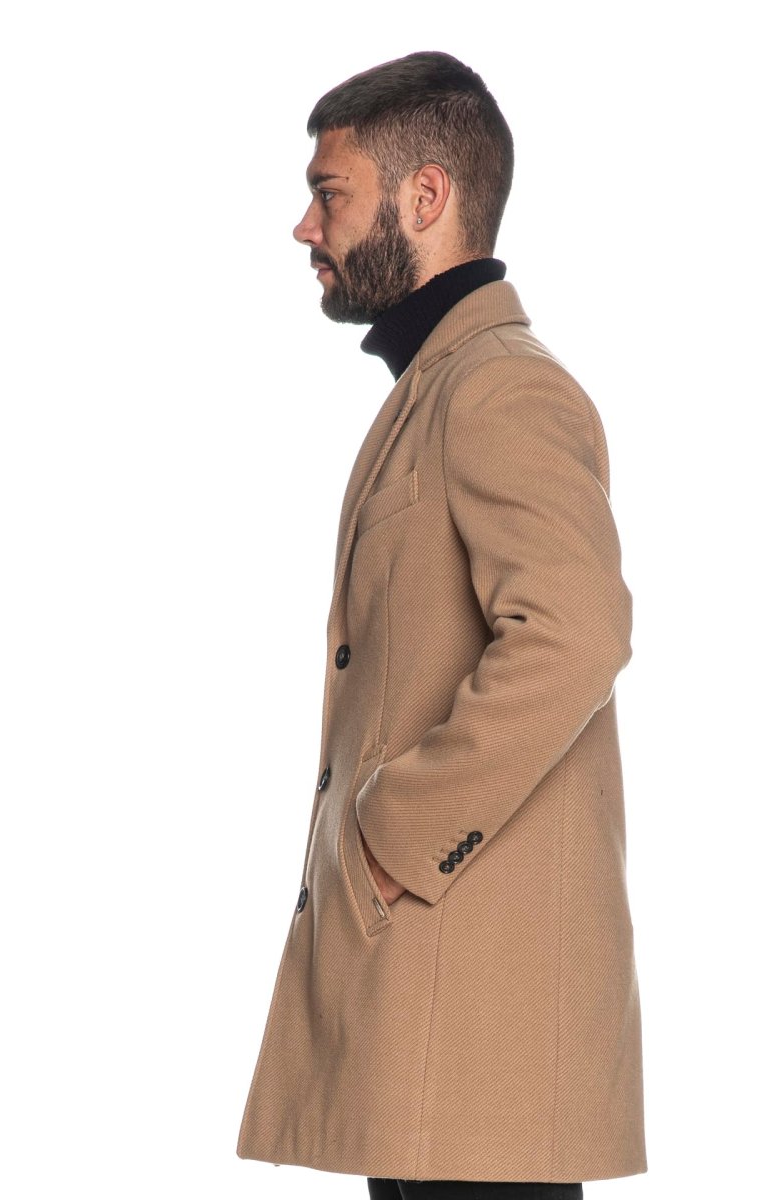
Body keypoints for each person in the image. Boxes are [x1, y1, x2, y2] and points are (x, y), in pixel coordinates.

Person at [235, 51, 647, 1199]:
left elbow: (572, 632)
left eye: (329, 194)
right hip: (432, 1016)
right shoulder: (437, 388)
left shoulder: (498, 387)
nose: (305, 228)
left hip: (478, 1028)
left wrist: (390, 836)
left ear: (426, 197)